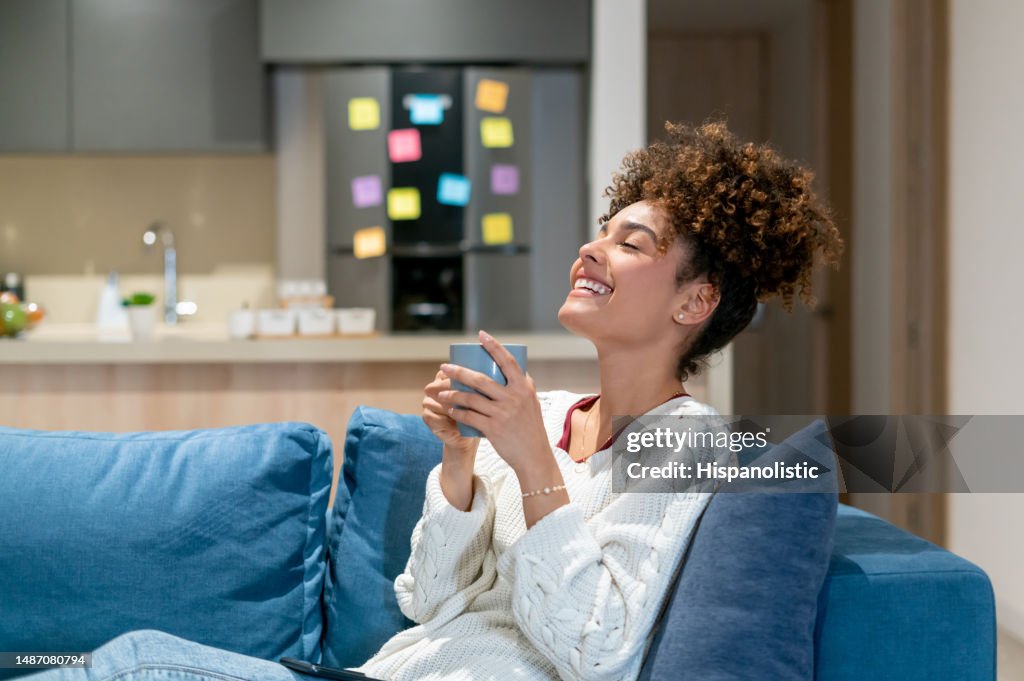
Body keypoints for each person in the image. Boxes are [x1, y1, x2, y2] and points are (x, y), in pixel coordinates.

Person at [26, 121, 842, 681]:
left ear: (693, 304)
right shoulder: (546, 407)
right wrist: (458, 466)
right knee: (119, 656)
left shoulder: (686, 444)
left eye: (633, 243)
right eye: (603, 230)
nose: (592, 246)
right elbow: (431, 598)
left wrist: (528, 458)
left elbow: (595, 646)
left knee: (134, 662)